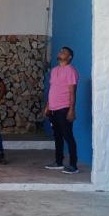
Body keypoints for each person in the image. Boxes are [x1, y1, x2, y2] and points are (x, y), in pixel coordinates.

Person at [43, 46, 79, 174]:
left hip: (64, 108)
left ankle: (73, 165)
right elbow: (52, 89)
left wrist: (71, 110)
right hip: (53, 109)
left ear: (69, 57)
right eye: (60, 51)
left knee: (68, 136)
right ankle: (58, 162)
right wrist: (47, 106)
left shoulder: (71, 71)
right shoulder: (54, 70)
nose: (61, 52)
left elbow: (72, 92)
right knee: (57, 136)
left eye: (64, 52)